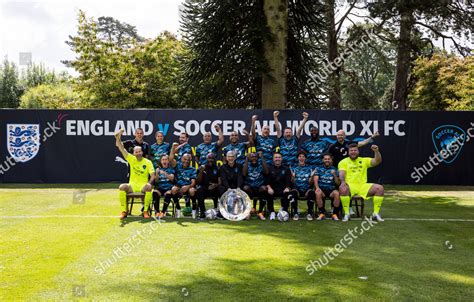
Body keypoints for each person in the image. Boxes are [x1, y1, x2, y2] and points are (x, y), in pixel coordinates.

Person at [115, 129, 155, 220]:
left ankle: (145, 211)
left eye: (139, 151)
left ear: (142, 152)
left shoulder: (148, 162)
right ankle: (124, 211)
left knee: (149, 187)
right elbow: (121, 148)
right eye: (136, 152)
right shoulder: (131, 159)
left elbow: (153, 175)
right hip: (132, 185)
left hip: (142, 186)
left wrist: (149, 183)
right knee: (122, 187)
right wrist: (118, 137)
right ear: (133, 153)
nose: (138, 153)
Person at [338, 144, 384, 222]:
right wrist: (342, 182)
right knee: (342, 188)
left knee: (380, 188)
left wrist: (376, 151)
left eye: (355, 150)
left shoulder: (364, 160)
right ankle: (347, 214)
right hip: (351, 185)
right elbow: (342, 173)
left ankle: (375, 214)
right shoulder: (343, 162)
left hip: (363, 186)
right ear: (348, 152)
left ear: (358, 151)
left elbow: (377, 161)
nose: (353, 152)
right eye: (351, 151)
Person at [265, 152, 295, 221]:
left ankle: (284, 211)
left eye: (279, 157)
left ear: (281, 159)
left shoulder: (286, 169)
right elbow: (267, 181)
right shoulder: (269, 168)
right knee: (267, 192)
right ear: (273, 159)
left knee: (287, 193)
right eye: (276, 157)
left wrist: (287, 188)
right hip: (273, 189)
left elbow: (288, 181)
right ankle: (272, 212)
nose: (277, 159)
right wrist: (269, 188)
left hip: (283, 189)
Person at [169, 145, 197, 218]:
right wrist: (173, 147)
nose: (186, 161)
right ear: (181, 159)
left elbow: (193, 182)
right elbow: (171, 159)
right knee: (173, 189)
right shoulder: (178, 165)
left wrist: (187, 187)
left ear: (190, 161)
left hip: (189, 186)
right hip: (179, 186)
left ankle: (194, 210)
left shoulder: (193, 169)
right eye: (184, 159)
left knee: (192, 191)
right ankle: (178, 209)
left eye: (188, 160)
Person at [290, 152, 316, 221]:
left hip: (307, 189)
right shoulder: (294, 168)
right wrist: (292, 176)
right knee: (293, 192)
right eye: (300, 156)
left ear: (305, 158)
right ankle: (295, 213)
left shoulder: (309, 168)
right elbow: (292, 182)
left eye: (303, 156)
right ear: (298, 158)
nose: (301, 158)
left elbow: (310, 183)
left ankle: (309, 213)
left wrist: (312, 176)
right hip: (297, 189)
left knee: (312, 193)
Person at [314, 153, 340, 221]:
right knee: (318, 193)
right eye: (325, 159)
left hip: (331, 190)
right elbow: (315, 179)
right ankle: (322, 213)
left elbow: (338, 183)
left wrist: (334, 175)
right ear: (323, 160)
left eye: (328, 159)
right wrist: (317, 188)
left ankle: (335, 214)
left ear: (331, 160)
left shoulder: (335, 169)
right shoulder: (319, 169)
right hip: (322, 189)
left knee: (337, 193)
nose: (327, 160)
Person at [242, 152, 268, 220]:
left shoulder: (261, 165)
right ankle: (248, 212)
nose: (254, 158)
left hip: (259, 188)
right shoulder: (247, 165)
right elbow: (244, 174)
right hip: (250, 189)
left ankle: (260, 213)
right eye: (252, 157)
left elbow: (266, 172)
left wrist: (262, 157)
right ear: (249, 158)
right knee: (245, 188)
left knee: (264, 188)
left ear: (258, 158)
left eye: (255, 157)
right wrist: (246, 159)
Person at [196, 153, 220, 220]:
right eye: (209, 158)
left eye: (212, 158)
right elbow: (197, 181)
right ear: (206, 159)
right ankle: (202, 212)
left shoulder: (217, 168)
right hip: (204, 188)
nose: (211, 160)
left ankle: (218, 212)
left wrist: (215, 185)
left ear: (215, 159)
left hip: (214, 188)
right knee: (199, 190)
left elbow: (220, 182)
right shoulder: (202, 167)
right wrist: (201, 171)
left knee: (221, 189)